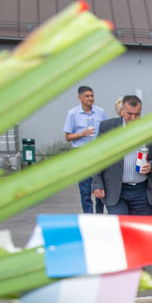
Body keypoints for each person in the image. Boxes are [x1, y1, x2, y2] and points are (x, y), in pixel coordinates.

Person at [91, 95, 152, 216]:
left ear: (141, 111)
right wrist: (97, 183)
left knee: (140, 227)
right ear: (122, 110)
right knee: (121, 226)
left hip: (142, 192)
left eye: (137, 114)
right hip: (115, 190)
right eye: (129, 114)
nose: (133, 118)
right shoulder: (108, 128)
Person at [63, 85, 107, 214]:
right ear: (80, 98)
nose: (90, 98)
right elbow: (68, 137)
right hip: (81, 152)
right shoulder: (73, 113)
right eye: (87, 96)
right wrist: (82, 134)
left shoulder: (100, 112)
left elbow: (106, 130)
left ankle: (99, 215)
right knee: (85, 188)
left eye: (92, 96)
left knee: (99, 185)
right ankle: (88, 216)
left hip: (98, 151)